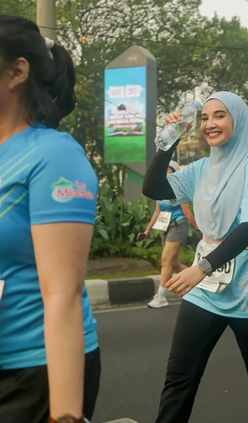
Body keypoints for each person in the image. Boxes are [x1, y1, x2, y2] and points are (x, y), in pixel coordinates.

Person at [142, 91, 248, 423]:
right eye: (205, 117)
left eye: (220, 115)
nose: (210, 123)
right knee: (179, 379)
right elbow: (154, 189)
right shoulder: (200, 169)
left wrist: (201, 268)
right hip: (206, 292)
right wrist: (167, 145)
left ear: (238, 120)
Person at [0, 15, 100, 423]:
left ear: (16, 72)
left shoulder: (53, 155)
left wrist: (65, 416)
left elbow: (63, 293)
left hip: (33, 370)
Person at [140, 160, 200, 308]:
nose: (166, 172)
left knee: (165, 260)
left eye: (169, 170)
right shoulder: (160, 192)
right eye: (164, 170)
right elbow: (157, 212)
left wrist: (199, 230)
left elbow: (188, 213)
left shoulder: (180, 190)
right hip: (164, 227)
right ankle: (203, 283)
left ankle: (161, 297)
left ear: (175, 172)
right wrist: (147, 230)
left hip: (178, 225)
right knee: (175, 264)